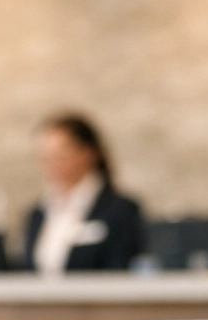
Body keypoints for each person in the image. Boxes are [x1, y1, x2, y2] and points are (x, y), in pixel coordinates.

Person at [23, 114, 145, 274]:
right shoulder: (37, 214)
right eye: (46, 158)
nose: (53, 164)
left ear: (88, 153)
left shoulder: (120, 210)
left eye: (61, 155)